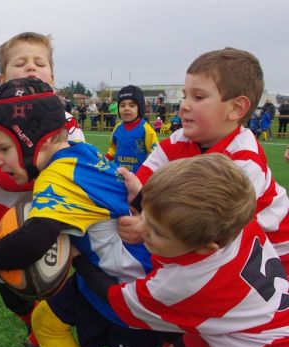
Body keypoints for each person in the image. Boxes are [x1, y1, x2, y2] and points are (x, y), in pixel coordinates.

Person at [0, 78, 160, 347]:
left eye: (4, 149)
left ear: (32, 138)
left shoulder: (57, 176)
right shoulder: (82, 152)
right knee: (46, 320)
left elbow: (34, 240)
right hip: (104, 274)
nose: (0, 160)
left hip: (128, 286)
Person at [74, 154, 289, 347]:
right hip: (238, 330)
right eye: (146, 217)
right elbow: (184, 217)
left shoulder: (184, 283)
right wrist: (145, 198)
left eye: (157, 231)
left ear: (206, 248)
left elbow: (118, 302)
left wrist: (78, 259)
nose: (141, 227)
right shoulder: (232, 221)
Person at [118, 47, 289, 274]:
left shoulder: (244, 163)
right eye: (184, 95)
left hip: (273, 259)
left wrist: (146, 226)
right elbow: (139, 182)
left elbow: (199, 227)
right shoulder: (180, 138)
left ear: (236, 108)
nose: (185, 105)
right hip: (223, 248)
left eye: (198, 97)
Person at [0, 31, 85, 347]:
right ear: (2, 79)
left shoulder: (68, 126)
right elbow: (4, 176)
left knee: (51, 285)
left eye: (40, 64)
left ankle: (41, 341)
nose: (31, 69)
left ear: (53, 79)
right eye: (20, 64)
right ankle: (35, 326)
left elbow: (75, 172)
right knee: (12, 292)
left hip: (49, 227)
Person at [105, 85, 159, 173]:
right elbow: (113, 149)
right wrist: (105, 159)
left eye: (132, 105)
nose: (126, 108)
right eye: (122, 105)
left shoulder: (146, 129)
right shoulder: (117, 128)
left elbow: (156, 154)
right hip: (118, 175)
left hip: (138, 178)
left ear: (140, 108)